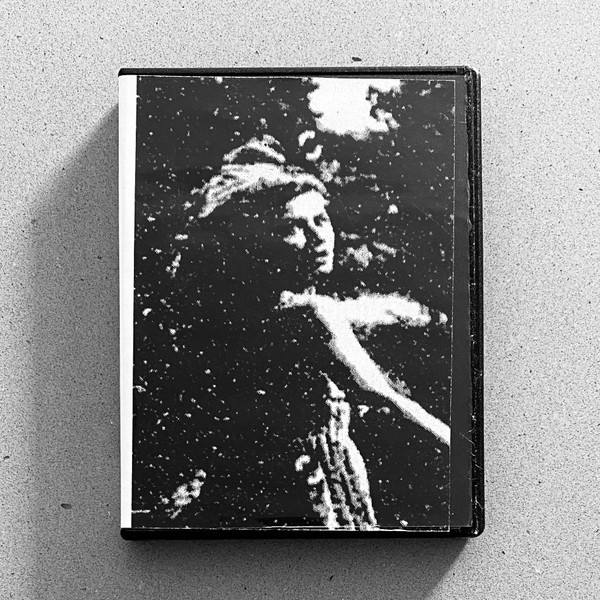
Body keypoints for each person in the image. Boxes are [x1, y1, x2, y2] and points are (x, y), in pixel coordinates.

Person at [136, 135, 450, 530]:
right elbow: (387, 400)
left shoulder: (239, 313)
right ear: (257, 242)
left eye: (321, 219)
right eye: (293, 227)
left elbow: (362, 310)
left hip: (247, 497)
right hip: (315, 493)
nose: (319, 236)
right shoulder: (310, 316)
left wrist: (416, 315)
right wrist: (459, 452)